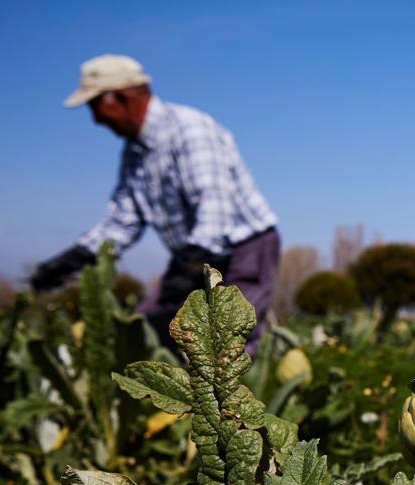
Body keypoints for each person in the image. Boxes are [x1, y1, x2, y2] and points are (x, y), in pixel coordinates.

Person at [31, 54, 281, 353]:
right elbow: (123, 221)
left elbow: (213, 204)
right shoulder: (135, 154)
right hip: (194, 258)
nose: (95, 119)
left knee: (228, 344)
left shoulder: (189, 129)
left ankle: (256, 383)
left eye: (95, 106)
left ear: (120, 98)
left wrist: (189, 264)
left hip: (243, 249)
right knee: (143, 332)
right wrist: (79, 255)